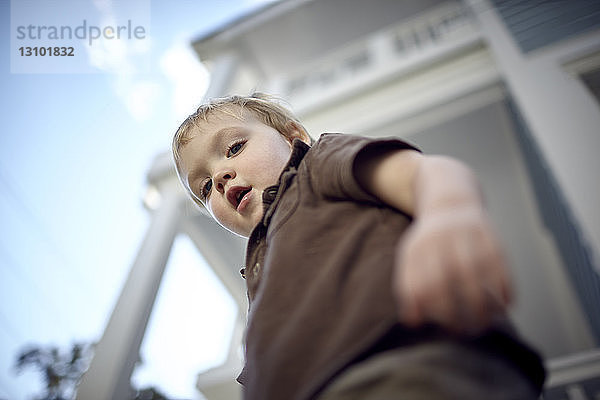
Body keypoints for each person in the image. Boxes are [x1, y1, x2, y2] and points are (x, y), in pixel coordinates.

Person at [172, 93, 545, 400]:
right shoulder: (259, 273)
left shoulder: (317, 167)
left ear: (293, 137)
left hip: (405, 368)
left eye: (234, 147)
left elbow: (424, 172)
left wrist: (449, 212)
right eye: (204, 188)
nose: (219, 177)